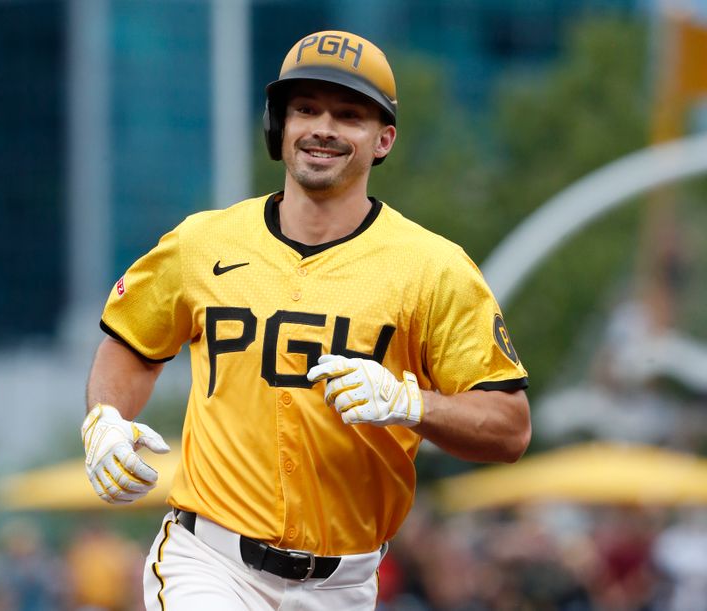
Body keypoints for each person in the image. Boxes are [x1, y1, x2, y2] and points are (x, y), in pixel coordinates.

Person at [81, 30, 531, 610]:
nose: (323, 127)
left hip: (345, 583)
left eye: (348, 115)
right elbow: (132, 344)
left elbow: (510, 427)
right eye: (306, 109)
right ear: (279, 125)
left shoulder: (435, 268)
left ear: (383, 139)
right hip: (209, 562)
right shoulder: (201, 242)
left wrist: (412, 403)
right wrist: (105, 420)